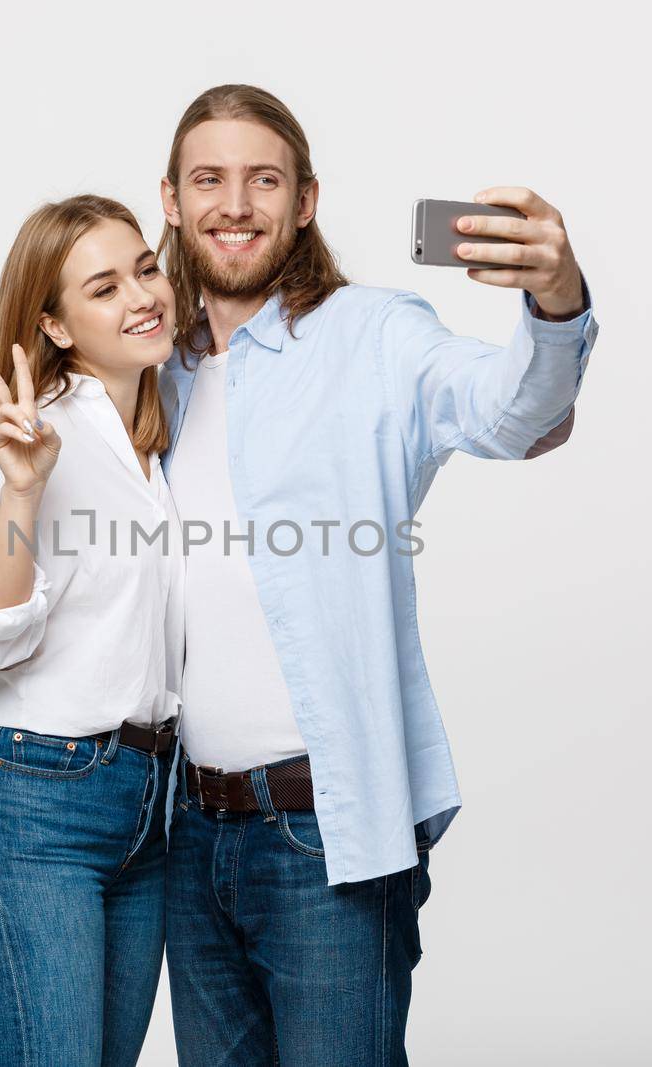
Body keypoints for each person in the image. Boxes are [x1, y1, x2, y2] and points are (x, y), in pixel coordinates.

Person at [154, 85, 601, 1065]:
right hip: (185, 835)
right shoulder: (152, 370)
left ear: (304, 200)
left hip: (325, 834)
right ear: (173, 200)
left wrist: (554, 297)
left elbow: (512, 412)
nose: (235, 203)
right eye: (209, 179)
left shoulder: (373, 335)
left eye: (262, 178)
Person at [0, 194, 184, 1067]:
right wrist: (24, 488)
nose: (142, 296)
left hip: (151, 806)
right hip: (37, 801)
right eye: (104, 288)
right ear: (56, 325)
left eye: (146, 269)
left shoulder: (166, 434)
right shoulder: (24, 439)